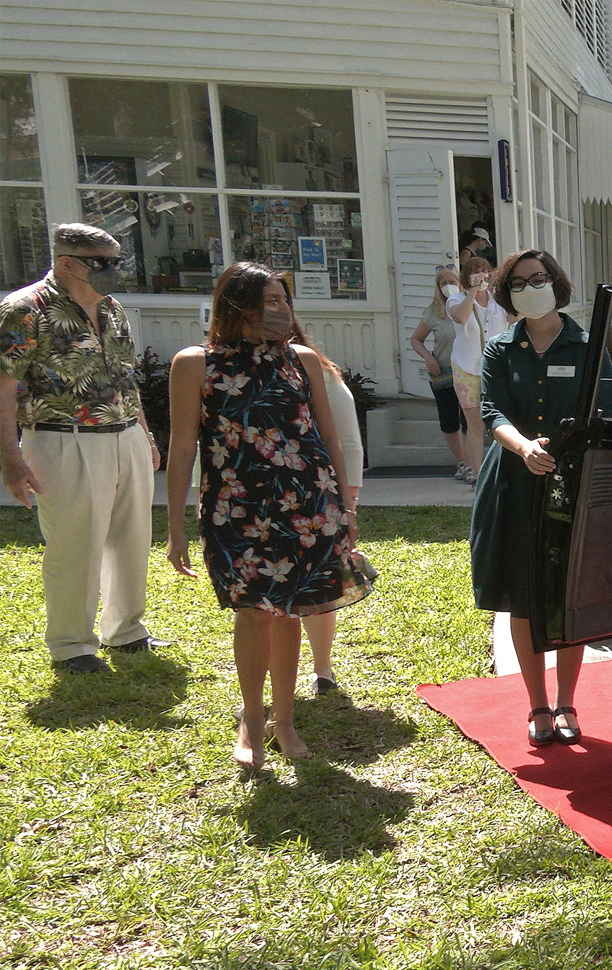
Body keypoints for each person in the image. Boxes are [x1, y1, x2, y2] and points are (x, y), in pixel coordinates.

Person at [165, 263, 372, 766]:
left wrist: (344, 507)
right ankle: (251, 722)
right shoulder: (194, 363)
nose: (281, 311)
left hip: (306, 505)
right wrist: (174, 528)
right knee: (253, 613)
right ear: (236, 305)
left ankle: (285, 721)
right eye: (270, 301)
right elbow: (182, 447)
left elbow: (328, 437)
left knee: (290, 613)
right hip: (235, 508)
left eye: (284, 301)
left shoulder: (300, 360)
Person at [0, 223, 165, 674]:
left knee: (131, 539)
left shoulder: (112, 309)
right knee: (75, 545)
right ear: (67, 263)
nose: (112, 271)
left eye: (115, 262)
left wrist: (145, 435)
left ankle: (126, 631)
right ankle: (72, 644)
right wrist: (11, 459)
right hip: (61, 440)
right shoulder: (24, 309)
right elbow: (4, 386)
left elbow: (125, 378)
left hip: (124, 433)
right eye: (101, 264)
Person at [469, 249, 612, 746]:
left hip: (571, 484)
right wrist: (524, 446)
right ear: (508, 292)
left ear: (556, 281)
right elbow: (493, 411)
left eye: (538, 278)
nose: (530, 288)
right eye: (518, 283)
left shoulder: (588, 345)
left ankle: (568, 701)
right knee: (523, 594)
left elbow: (607, 414)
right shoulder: (499, 349)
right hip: (513, 483)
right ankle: (537, 706)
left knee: (567, 593)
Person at [294, 316, 363, 696]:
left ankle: (323, 670)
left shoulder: (318, 371)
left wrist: (348, 501)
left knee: (320, 587)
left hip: (318, 495)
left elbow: (348, 441)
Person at [447, 256, 512, 486]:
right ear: (467, 276)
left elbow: (515, 318)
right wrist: (473, 291)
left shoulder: (498, 301)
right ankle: (477, 473)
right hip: (467, 368)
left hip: (496, 369)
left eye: (485, 270)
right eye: (476, 271)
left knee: (500, 420)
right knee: (475, 424)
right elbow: (461, 317)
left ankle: (502, 470)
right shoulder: (456, 299)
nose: (482, 274)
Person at [409, 265, 470, 480]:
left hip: (468, 371)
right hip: (443, 372)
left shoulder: (469, 307)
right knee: (449, 420)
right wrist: (428, 357)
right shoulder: (433, 314)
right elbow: (416, 339)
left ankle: (473, 463)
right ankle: (462, 462)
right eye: (444, 283)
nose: (448, 287)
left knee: (469, 419)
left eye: (452, 282)